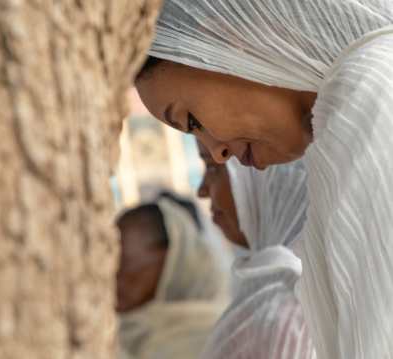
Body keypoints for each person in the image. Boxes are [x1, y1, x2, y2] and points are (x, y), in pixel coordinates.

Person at [134, 2, 393, 358]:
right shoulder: (350, 109)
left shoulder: (369, 95)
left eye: (191, 121)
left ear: (223, 42)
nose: (218, 152)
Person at [197, 140, 316, 359]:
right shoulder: (318, 291)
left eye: (213, 168)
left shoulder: (281, 316)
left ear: (268, 178)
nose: (201, 190)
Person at [116, 197, 229, 359]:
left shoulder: (220, 343)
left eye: (123, 261)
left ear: (171, 261)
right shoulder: (119, 335)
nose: (111, 276)